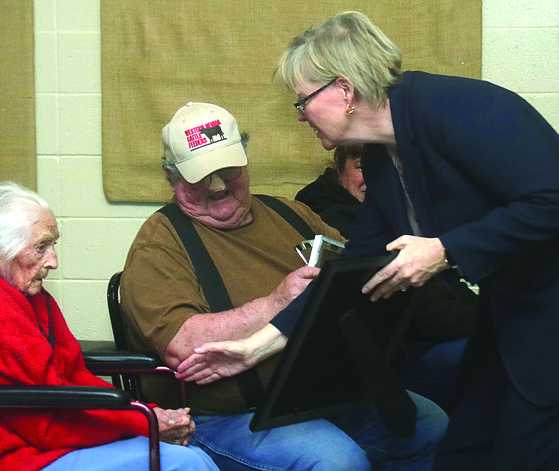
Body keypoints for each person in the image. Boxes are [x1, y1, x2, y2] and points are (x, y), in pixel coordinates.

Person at [180, 11, 559, 471]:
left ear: (345, 90)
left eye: (301, 102)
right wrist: (255, 345)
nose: (300, 117)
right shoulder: (382, 159)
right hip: (510, 313)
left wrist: (445, 249)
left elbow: (551, 199)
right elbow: (357, 267)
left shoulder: (459, 107)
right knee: (462, 452)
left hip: (544, 318)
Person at [121, 101, 448, 471]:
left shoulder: (290, 213)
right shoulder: (160, 243)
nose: (217, 185)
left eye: (227, 169)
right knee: (337, 462)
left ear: (244, 159)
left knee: (431, 426)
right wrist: (278, 302)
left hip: (323, 395)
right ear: (172, 177)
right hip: (230, 415)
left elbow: (352, 273)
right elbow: (184, 346)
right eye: (201, 175)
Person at [0, 182, 220, 471]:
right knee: (184, 464)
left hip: (52, 440)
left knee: (195, 457)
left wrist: (146, 415)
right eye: (40, 247)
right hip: (20, 456)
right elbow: (43, 422)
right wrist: (143, 421)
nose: (54, 261)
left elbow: (73, 374)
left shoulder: (26, 295)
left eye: (53, 245)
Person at [296, 145, 478, 411]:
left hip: (434, 334)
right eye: (360, 166)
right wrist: (485, 319)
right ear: (338, 169)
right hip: (399, 354)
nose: (373, 178)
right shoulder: (332, 217)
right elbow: (417, 303)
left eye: (388, 170)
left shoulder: (401, 213)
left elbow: (447, 282)